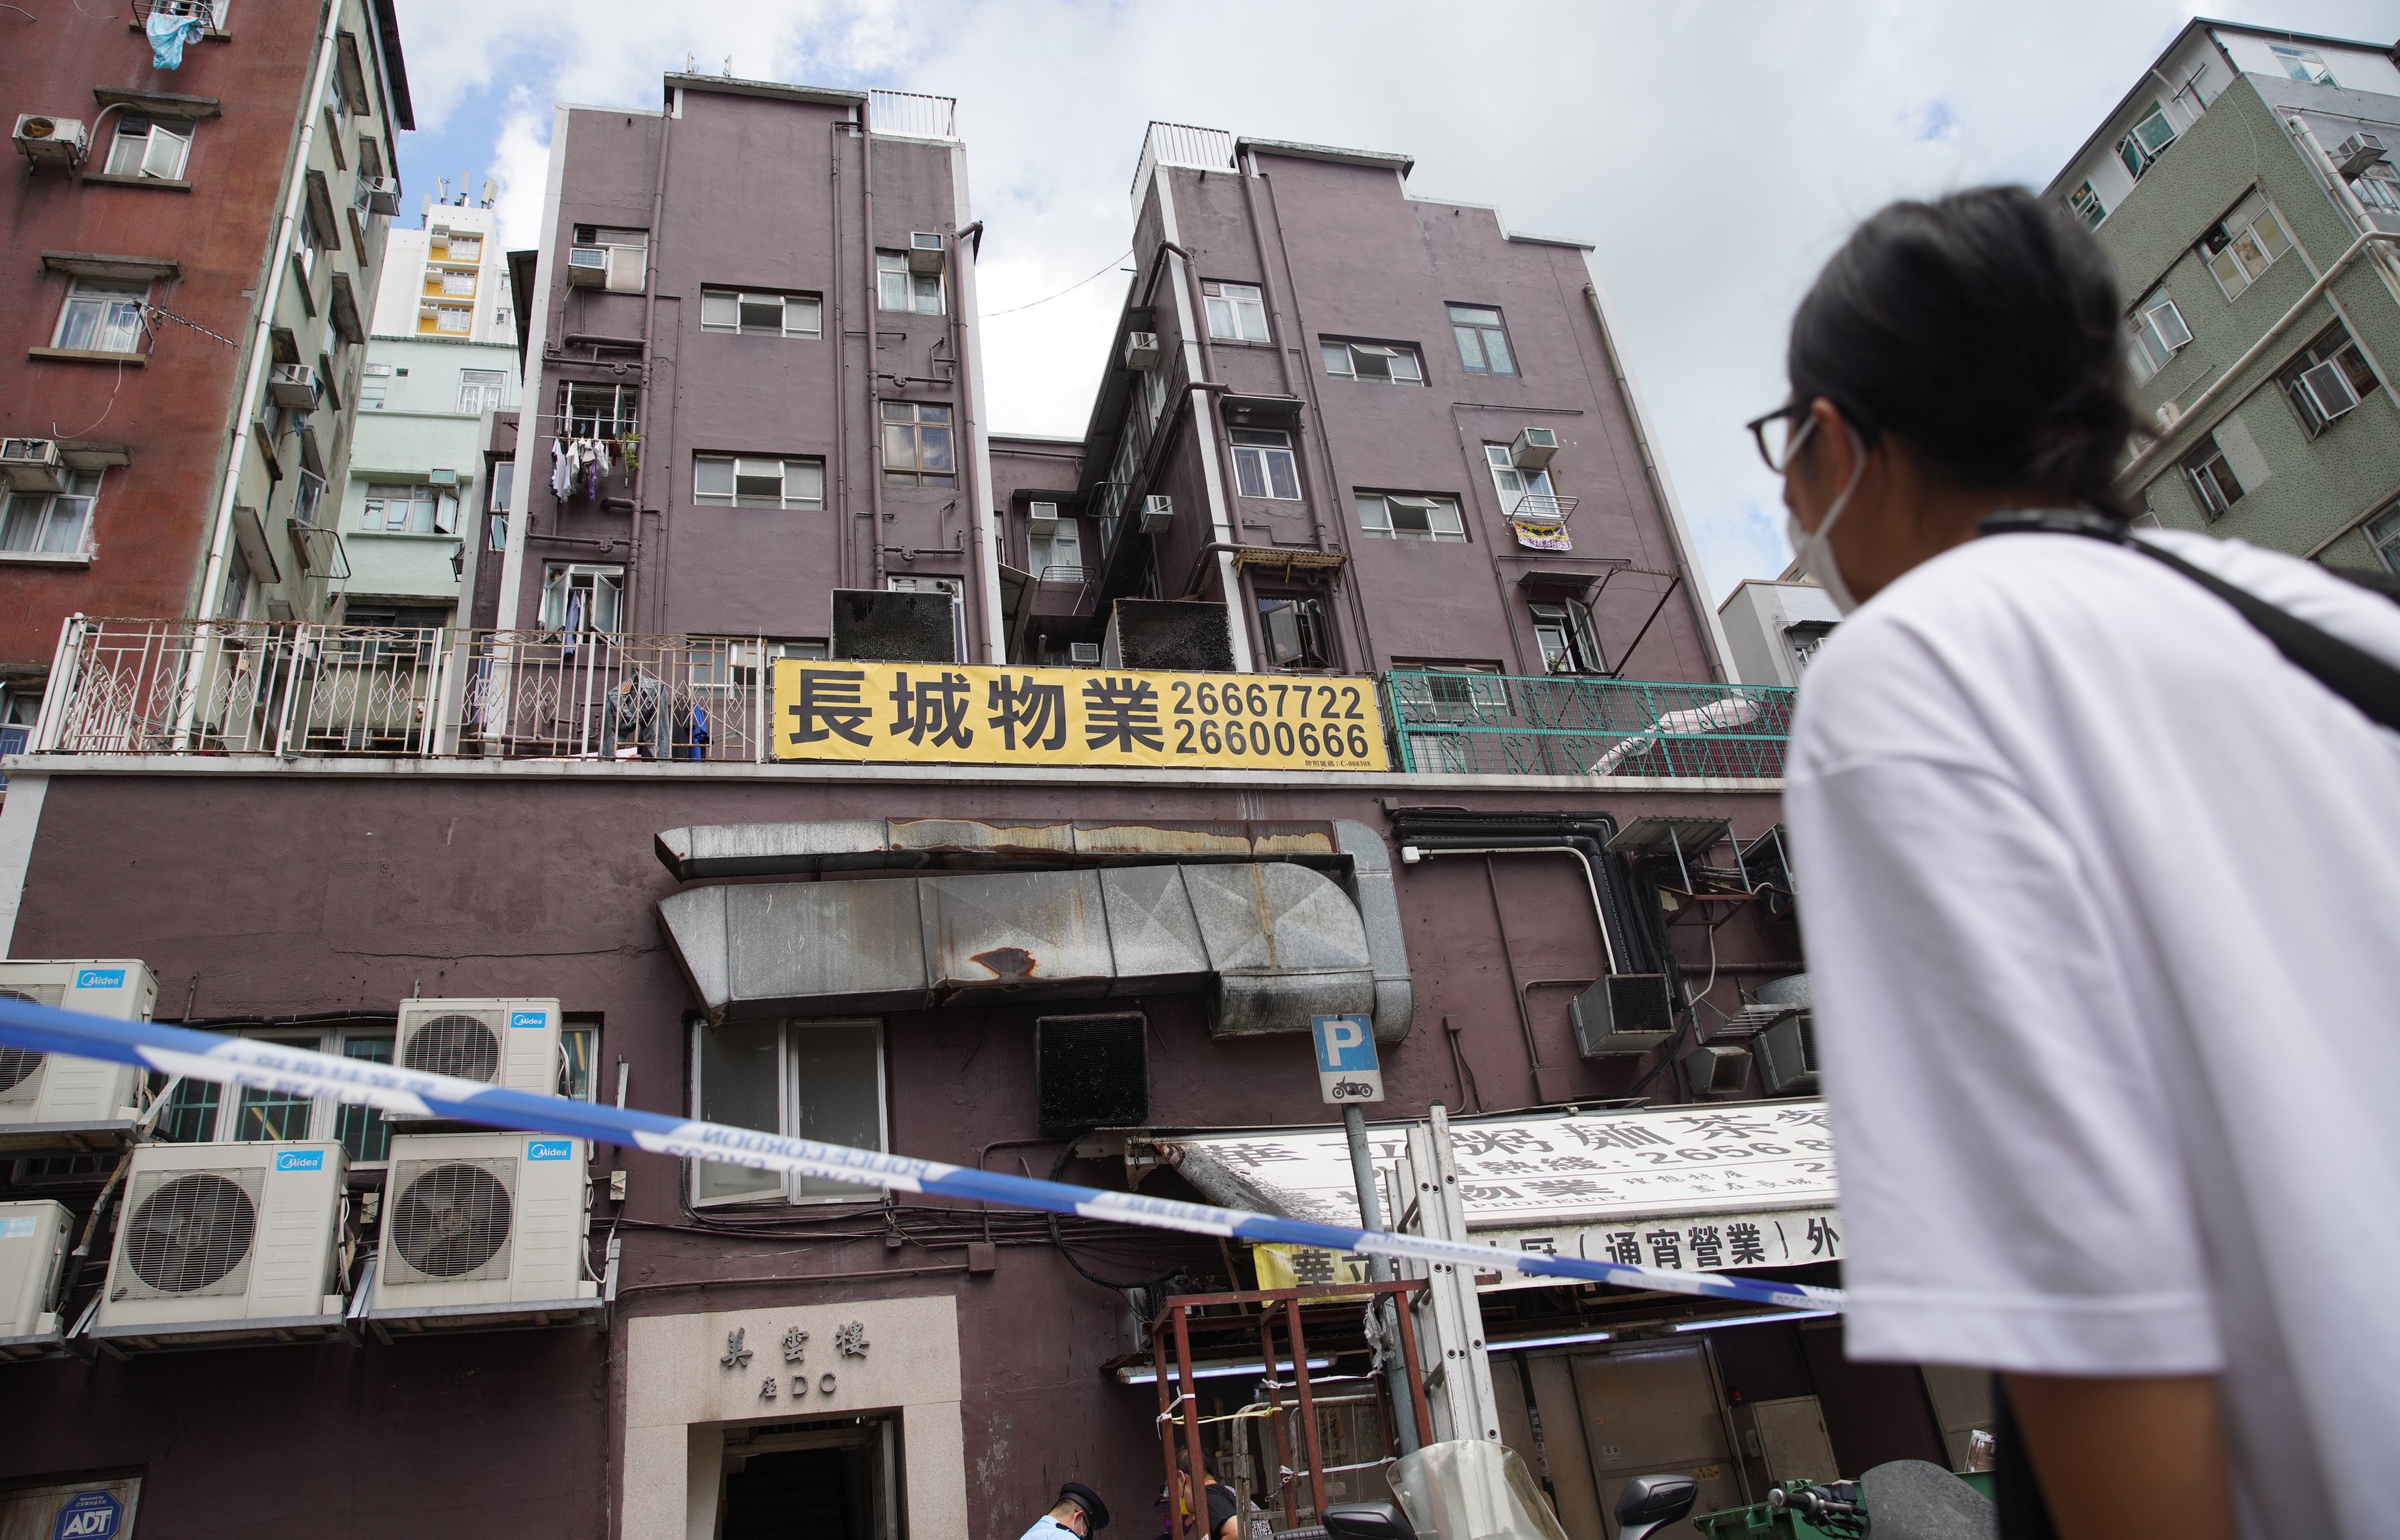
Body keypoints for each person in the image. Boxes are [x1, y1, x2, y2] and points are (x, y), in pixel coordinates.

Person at [1765, 185, 2400, 1540]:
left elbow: (2097, 1314)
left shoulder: (1916, 664)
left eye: (1783, 448)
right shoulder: (2339, 619)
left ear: (1830, 444)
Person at [1163, 1450, 1247, 1540]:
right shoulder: (1225, 1490)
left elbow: (1237, 1534)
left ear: (1181, 1478)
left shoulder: (1206, 1496)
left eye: (1173, 1486)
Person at [1019, 1482, 1109, 1540]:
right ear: (1078, 1516)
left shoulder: (1028, 1536)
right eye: (1084, 1534)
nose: (1080, 1538)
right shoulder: (1065, 1537)